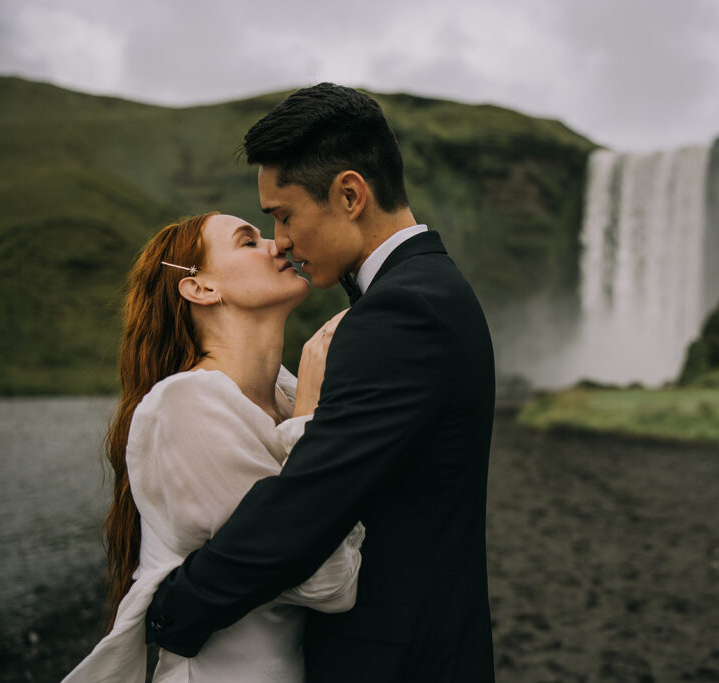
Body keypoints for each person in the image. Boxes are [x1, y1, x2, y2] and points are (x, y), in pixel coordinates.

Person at [145, 83, 497, 681]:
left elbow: (308, 507)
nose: (280, 241)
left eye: (283, 216)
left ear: (351, 194)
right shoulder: (426, 292)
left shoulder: (400, 310)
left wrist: (174, 610)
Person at [63, 212, 364, 682]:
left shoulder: (288, 393)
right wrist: (310, 421)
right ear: (200, 288)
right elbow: (330, 583)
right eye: (249, 241)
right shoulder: (186, 405)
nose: (278, 244)